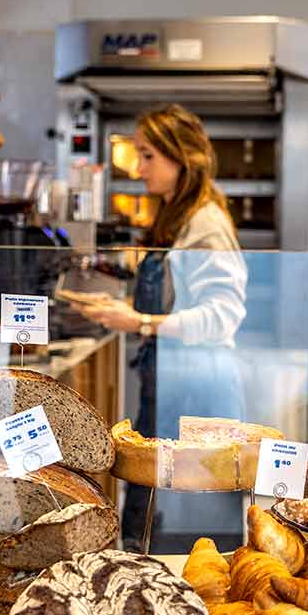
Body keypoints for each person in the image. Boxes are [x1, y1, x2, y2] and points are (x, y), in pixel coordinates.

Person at [75, 104, 248, 552]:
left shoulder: (206, 222)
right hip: (171, 373)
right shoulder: (176, 213)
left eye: (148, 155)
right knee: (152, 485)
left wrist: (140, 321)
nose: (138, 167)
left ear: (181, 158)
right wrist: (122, 307)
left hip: (200, 382)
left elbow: (223, 314)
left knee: (196, 519)